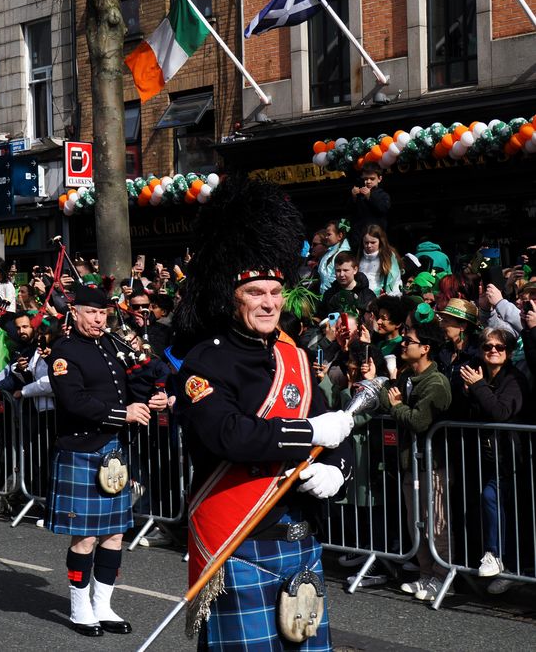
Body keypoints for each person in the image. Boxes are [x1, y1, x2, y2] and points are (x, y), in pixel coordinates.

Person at [172, 175, 353, 650]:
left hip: (300, 536)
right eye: (255, 292)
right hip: (239, 534)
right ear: (232, 297)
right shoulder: (205, 361)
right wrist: (308, 431)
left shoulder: (292, 356)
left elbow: (336, 428)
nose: (269, 303)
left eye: (274, 292)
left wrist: (337, 469)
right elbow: (229, 435)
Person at [45, 283, 166, 637]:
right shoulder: (64, 351)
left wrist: (155, 398)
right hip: (82, 448)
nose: (98, 319)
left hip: (113, 449)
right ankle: (79, 607)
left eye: (103, 314)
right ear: (75, 312)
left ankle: (103, 604)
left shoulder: (112, 346)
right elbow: (74, 401)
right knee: (84, 537)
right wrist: (121, 414)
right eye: (91, 313)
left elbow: (131, 386)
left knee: (114, 534)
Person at [380, 305, 452, 602]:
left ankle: (442, 576)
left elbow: (419, 421)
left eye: (408, 341)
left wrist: (397, 407)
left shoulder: (436, 383)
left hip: (434, 464)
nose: (402, 344)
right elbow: (388, 401)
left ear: (425, 348)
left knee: (437, 524)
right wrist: (393, 402)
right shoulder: (408, 376)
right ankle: (425, 574)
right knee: (416, 522)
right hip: (411, 462)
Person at [460, 327, 527, 594]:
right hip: (486, 456)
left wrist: (477, 387)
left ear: (509, 352)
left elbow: (500, 411)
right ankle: (506, 564)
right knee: (495, 506)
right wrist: (470, 390)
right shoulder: (478, 373)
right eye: (488, 347)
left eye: (499, 348)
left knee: (493, 499)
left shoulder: (514, 378)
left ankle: (499, 557)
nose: (493, 351)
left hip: (512, 459)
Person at [319, 251, 377, 318]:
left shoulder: (367, 295)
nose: (341, 274)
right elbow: (320, 317)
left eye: (345, 270)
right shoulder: (329, 294)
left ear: (355, 270)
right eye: (338, 270)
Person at [350, 163, 391, 247]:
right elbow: (350, 211)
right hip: (359, 237)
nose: (368, 182)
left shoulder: (383, 195)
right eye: (365, 179)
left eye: (372, 179)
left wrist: (369, 197)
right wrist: (353, 197)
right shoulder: (359, 194)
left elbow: (382, 209)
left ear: (379, 179)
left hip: (375, 237)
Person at [358, 225, 402, 296]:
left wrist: (392, 297)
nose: (369, 245)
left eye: (373, 242)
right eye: (366, 242)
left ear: (380, 241)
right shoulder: (359, 256)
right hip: (361, 297)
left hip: (382, 297)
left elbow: (396, 282)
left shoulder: (388, 256)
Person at [317, 219, 352, 294]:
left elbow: (335, 279)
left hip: (334, 296)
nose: (326, 237)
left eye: (329, 234)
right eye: (326, 234)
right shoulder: (331, 251)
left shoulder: (343, 254)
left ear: (340, 236)